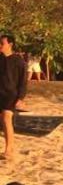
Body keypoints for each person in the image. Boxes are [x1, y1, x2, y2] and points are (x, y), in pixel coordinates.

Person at [0, 35, 28, 163]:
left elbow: (23, 81)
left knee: (6, 119)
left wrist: (20, 98)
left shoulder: (18, 61)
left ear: (10, 44)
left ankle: (9, 149)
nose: (0, 45)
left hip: (10, 95)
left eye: (2, 43)